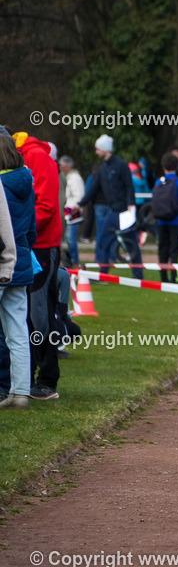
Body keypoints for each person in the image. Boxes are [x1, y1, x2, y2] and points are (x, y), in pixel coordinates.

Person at [13, 129, 63, 400]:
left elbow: (46, 206)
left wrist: (17, 230)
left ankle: (47, 378)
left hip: (42, 245)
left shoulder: (37, 157)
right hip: (27, 244)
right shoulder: (24, 155)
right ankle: (27, 375)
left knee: (41, 315)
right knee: (26, 315)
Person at [0, 135, 35, 409]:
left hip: (3, 258)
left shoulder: (2, 184)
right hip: (21, 257)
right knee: (18, 331)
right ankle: (21, 391)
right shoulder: (26, 183)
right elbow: (31, 228)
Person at [79, 134, 142, 278]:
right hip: (113, 213)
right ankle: (103, 275)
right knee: (102, 242)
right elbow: (93, 189)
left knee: (131, 243)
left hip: (124, 212)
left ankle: (138, 276)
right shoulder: (102, 169)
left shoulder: (121, 165)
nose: (96, 152)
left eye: (98, 149)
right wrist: (80, 204)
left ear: (105, 149)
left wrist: (130, 204)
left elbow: (129, 186)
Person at [153, 153, 178, 283]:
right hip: (176, 220)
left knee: (162, 249)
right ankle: (174, 278)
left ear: (163, 166)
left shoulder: (159, 182)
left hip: (161, 220)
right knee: (175, 250)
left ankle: (163, 278)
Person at [58, 156, 85, 267]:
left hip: (73, 213)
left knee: (70, 238)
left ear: (69, 166)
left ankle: (75, 261)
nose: (61, 168)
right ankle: (68, 260)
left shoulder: (74, 178)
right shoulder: (67, 177)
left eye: (62, 166)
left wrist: (70, 208)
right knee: (67, 237)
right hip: (68, 212)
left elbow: (79, 196)